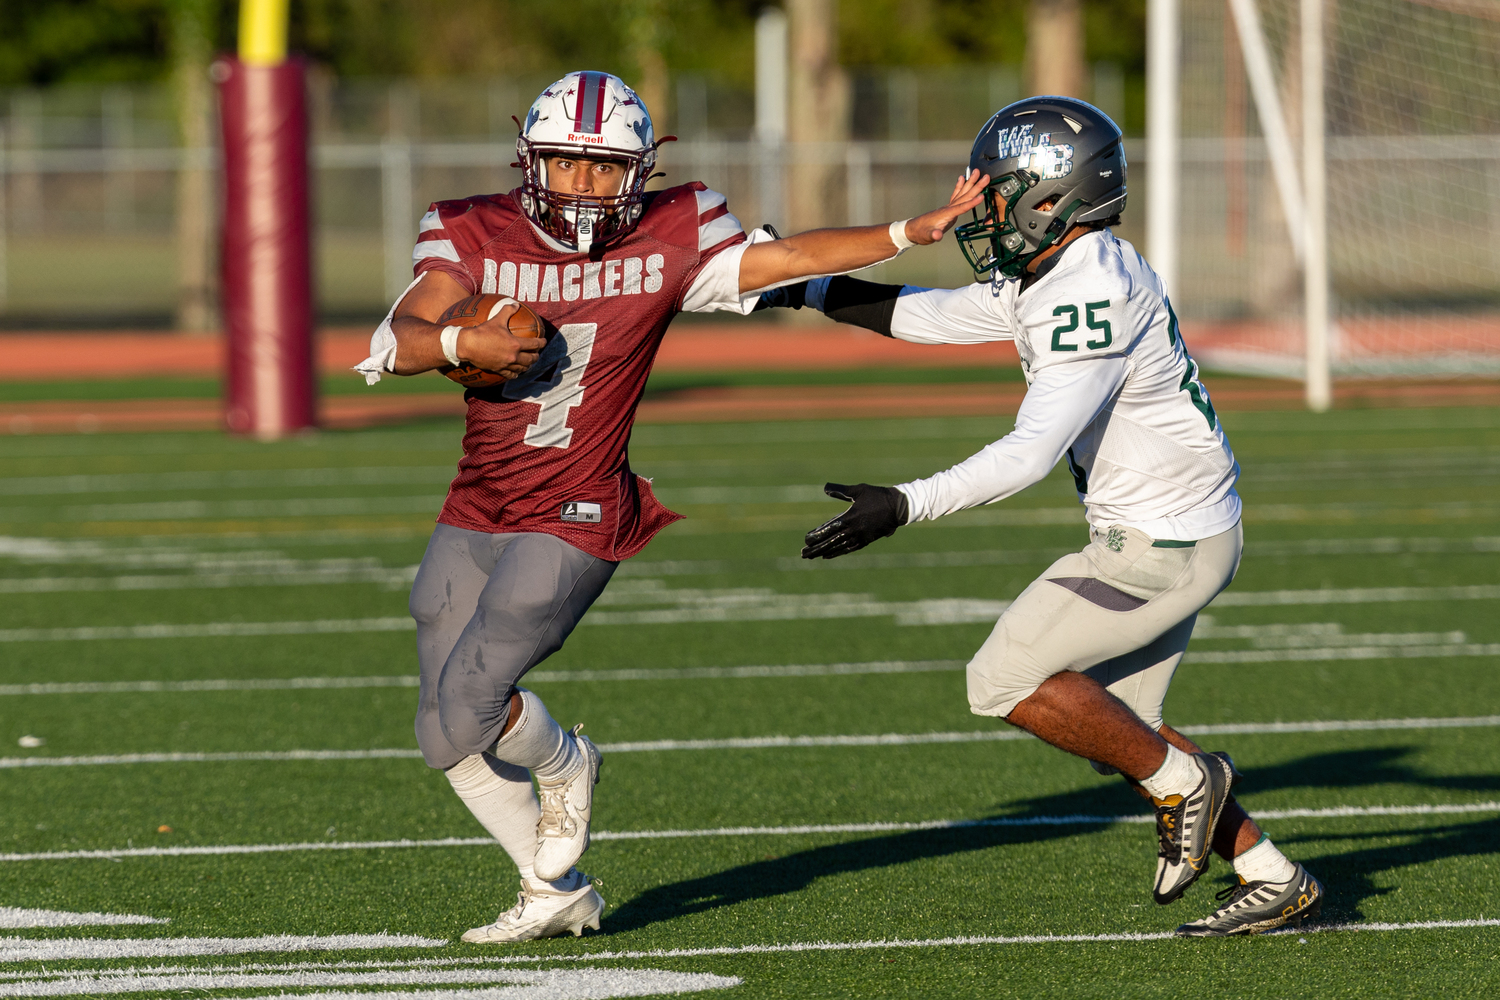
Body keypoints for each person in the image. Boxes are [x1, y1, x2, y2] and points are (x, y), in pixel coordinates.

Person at [355, 70, 985, 944]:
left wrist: (905, 231)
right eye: (566, 165)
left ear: (640, 172)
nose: (582, 185)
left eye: (604, 168)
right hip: (480, 498)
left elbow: (790, 258)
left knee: (472, 694)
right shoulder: (468, 227)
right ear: (531, 161)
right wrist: (464, 338)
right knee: (441, 733)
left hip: (581, 504)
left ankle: (569, 763)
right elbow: (397, 338)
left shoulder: (675, 229)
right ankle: (555, 893)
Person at [782, 96, 1322, 937]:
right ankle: (1269, 871)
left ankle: (1188, 782)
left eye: (996, 193)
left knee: (1002, 681)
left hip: (1160, 544)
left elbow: (1029, 454)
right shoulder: (1064, 266)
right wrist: (808, 285)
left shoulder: (1090, 289)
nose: (982, 210)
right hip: (1180, 527)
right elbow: (939, 317)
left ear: (1050, 198)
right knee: (1120, 728)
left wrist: (902, 504)